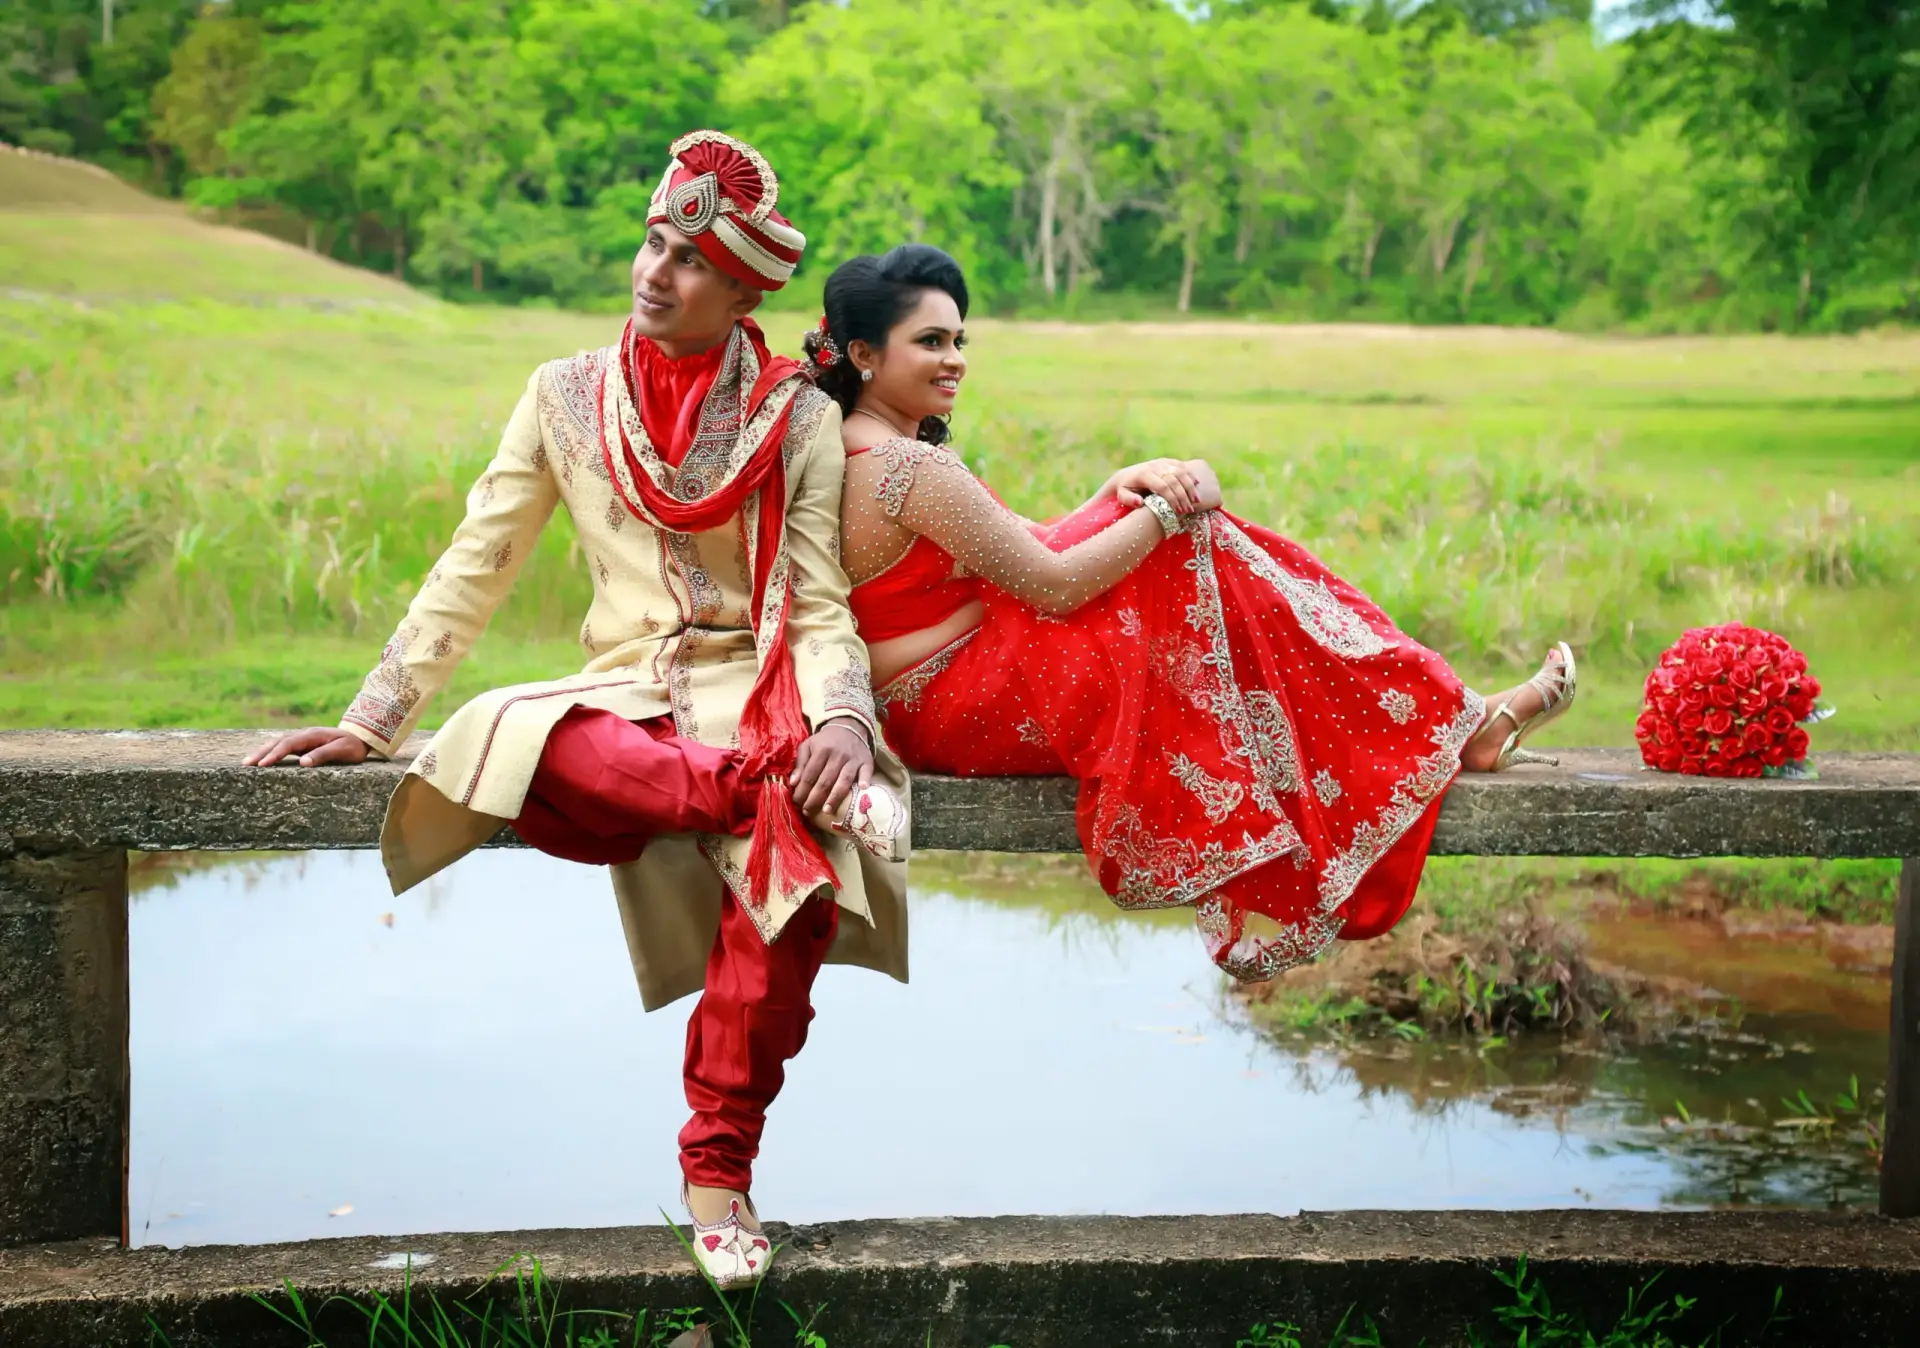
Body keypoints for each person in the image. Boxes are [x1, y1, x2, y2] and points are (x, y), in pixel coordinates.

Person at [244, 132, 909, 1289]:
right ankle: (765, 799)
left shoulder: (795, 416)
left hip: (757, 690)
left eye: (694, 259)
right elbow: (479, 557)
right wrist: (372, 715)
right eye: (656, 241)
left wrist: (844, 723)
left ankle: (718, 1169)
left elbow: (812, 598)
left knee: (787, 883)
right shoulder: (562, 393)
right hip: (622, 698)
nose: (659, 271)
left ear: (746, 290)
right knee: (521, 740)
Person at [804, 244, 1574, 982]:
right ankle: (1455, 719)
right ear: (865, 355)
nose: (955, 359)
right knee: (1191, 551)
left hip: (936, 693)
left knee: (1193, 562)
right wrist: (1171, 511)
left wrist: (1118, 491)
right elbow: (1053, 584)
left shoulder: (860, 444)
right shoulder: (908, 467)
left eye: (960, 338)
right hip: (956, 699)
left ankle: (1453, 717)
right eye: (930, 341)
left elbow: (1019, 552)